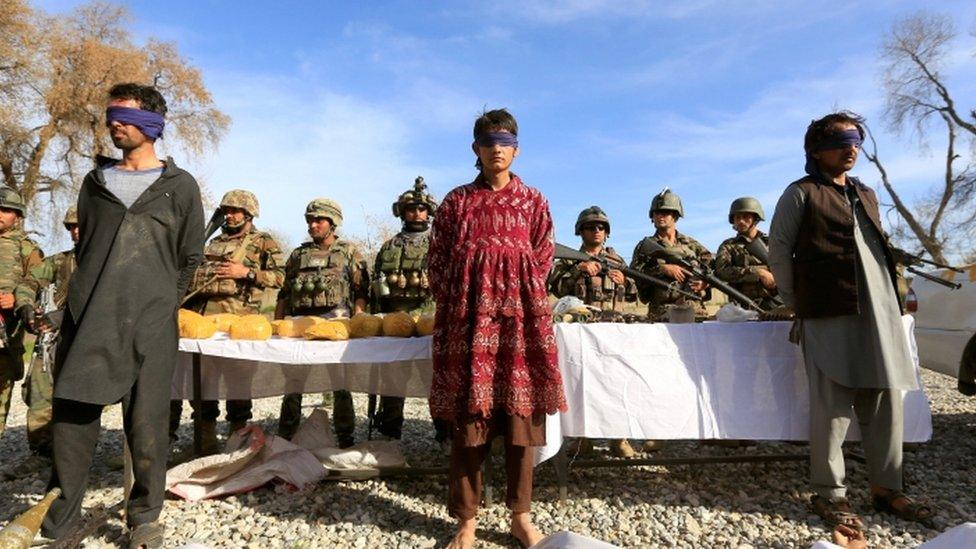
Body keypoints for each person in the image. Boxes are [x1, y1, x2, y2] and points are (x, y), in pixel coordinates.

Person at [41, 83, 204, 547]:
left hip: (151, 323)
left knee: (148, 424)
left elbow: (189, 256)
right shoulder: (95, 184)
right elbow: (89, 248)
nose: (114, 122)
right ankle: (59, 518)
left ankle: (145, 517)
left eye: (125, 115)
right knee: (72, 419)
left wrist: (162, 303)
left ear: (153, 123)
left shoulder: (180, 187)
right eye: (110, 114)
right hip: (90, 315)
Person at [768, 111, 933, 536]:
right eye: (842, 140)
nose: (851, 147)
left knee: (884, 398)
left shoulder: (867, 193)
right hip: (826, 311)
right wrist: (795, 303)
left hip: (879, 313)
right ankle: (830, 493)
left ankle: (887, 486)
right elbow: (780, 251)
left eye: (856, 139)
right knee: (832, 405)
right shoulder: (800, 194)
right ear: (817, 150)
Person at [428, 108, 566, 549]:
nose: (497, 150)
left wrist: (514, 291)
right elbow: (438, 262)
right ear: (476, 149)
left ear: (516, 149)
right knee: (471, 420)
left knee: (521, 419)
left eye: (504, 143)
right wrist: (467, 301)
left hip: (520, 327)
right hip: (469, 327)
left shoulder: (533, 201)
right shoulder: (456, 203)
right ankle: (466, 521)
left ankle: (519, 516)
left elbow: (543, 256)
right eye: (489, 143)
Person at [170, 190, 285, 458]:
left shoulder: (263, 241)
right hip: (204, 324)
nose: (230, 215)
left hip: (239, 325)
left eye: (235, 211)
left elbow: (281, 277)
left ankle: (240, 442)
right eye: (227, 211)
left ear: (248, 214)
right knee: (202, 386)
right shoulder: (210, 242)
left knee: (238, 385)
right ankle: (205, 442)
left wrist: (246, 272)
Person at [275, 198, 368, 446]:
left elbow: (361, 291)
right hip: (300, 326)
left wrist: (358, 319)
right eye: (310, 220)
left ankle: (346, 437)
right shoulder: (298, 255)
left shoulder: (348, 252)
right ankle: (285, 435)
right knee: (293, 383)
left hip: (337, 324)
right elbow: (284, 292)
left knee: (341, 384)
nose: (313, 224)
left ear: (333, 222)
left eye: (319, 220)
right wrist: (276, 325)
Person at [547, 205, 637, 458]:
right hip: (581, 333)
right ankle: (581, 438)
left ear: (606, 232)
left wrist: (626, 281)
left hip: (614, 330)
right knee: (580, 385)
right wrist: (578, 271)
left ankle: (618, 437)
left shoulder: (617, 260)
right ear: (580, 231)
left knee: (616, 384)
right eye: (590, 227)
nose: (596, 231)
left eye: (600, 227)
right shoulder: (569, 259)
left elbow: (634, 293)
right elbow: (555, 288)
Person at [368, 177, 450, 448]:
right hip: (395, 321)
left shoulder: (440, 244)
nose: (416, 213)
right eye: (411, 209)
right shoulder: (389, 247)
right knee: (393, 379)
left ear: (429, 212)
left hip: (430, 318)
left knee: (437, 378)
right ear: (402, 213)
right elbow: (376, 284)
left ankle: (445, 433)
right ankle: (390, 433)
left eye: (421, 209)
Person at [3, 207, 76, 479]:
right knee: (39, 388)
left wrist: (62, 316)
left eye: (81, 225)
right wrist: (24, 304)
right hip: (53, 340)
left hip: (90, 340)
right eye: (71, 227)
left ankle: (78, 455)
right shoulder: (59, 261)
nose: (76, 231)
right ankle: (42, 452)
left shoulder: (106, 261)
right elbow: (29, 282)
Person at [629, 189, 712, 323]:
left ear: (675, 215)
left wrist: (705, 283)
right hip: (661, 313)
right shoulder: (645, 246)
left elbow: (712, 270)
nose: (660, 216)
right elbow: (634, 275)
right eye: (657, 213)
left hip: (694, 311)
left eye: (666, 213)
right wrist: (661, 269)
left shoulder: (691, 245)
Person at [0, 187, 43, 437]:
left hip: (7, 330)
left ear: (18, 215)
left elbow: (37, 285)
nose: (1, 214)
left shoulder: (27, 249)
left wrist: (15, 298)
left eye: (6, 210)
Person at [714, 197, 780, 310]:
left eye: (745, 217)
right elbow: (722, 272)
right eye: (737, 217)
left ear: (756, 218)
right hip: (744, 307)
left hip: (777, 303)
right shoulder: (728, 246)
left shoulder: (772, 242)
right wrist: (757, 272)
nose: (741, 221)